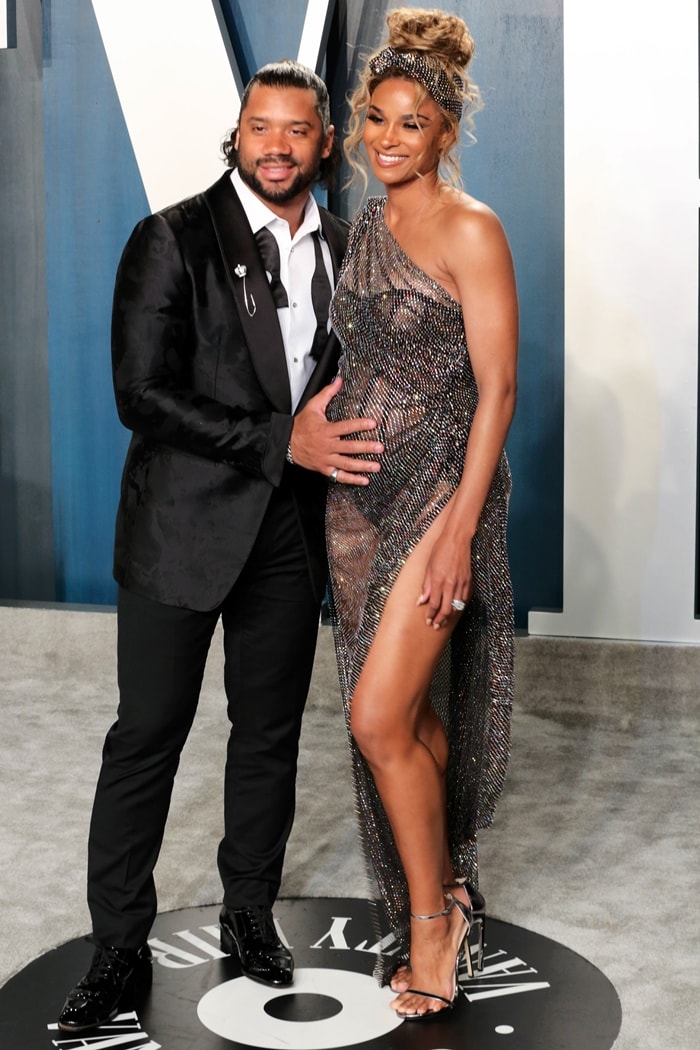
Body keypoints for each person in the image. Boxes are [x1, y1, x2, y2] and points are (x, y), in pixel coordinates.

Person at [57, 60, 384, 1034]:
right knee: (147, 736)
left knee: (269, 736)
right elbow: (139, 394)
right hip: (178, 534)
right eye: (260, 128)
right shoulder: (171, 238)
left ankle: (249, 913)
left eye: (296, 130)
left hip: (287, 534)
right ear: (236, 136)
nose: (276, 145)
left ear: (323, 143)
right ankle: (118, 947)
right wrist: (275, 440)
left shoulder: (347, 245)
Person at [326, 8, 517, 1020]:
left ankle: (433, 927)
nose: (387, 138)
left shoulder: (470, 230)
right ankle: (444, 882)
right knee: (402, 712)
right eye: (375, 120)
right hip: (356, 505)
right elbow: (363, 358)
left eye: (410, 122)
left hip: (440, 495)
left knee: (372, 718)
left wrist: (455, 529)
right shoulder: (368, 225)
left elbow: (498, 391)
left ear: (445, 131)